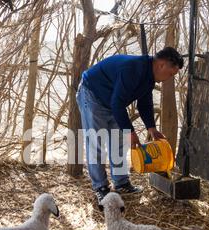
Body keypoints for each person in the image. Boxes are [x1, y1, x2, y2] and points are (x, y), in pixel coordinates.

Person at [76, 47, 184, 207]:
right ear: (161, 64)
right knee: (96, 144)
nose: (169, 78)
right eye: (171, 73)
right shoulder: (133, 69)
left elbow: (144, 103)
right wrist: (130, 132)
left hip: (112, 102)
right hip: (93, 96)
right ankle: (101, 187)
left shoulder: (149, 76)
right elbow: (117, 103)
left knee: (119, 144)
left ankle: (121, 183)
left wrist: (151, 128)